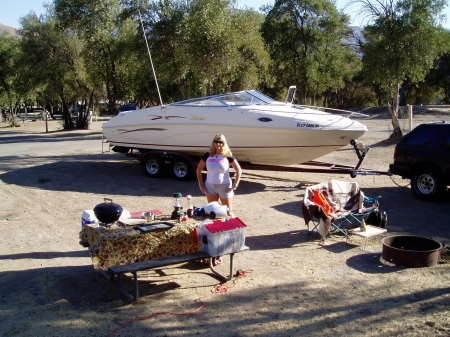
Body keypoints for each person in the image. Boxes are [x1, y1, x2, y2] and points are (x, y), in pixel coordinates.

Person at [196, 134, 242, 217]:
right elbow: (198, 170)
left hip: (224, 187)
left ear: (224, 143)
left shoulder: (228, 155)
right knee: (213, 213)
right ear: (213, 143)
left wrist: (234, 186)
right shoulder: (207, 155)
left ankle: (233, 229)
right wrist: (201, 185)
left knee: (228, 212)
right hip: (210, 187)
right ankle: (217, 229)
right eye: (216, 142)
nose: (218, 144)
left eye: (220, 142)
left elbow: (239, 170)